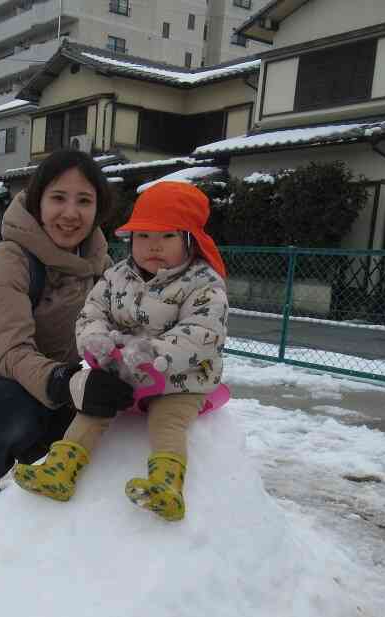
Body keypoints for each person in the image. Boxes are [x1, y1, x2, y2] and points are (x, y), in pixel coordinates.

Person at [12, 181, 229, 521]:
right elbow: (91, 314)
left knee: (167, 422)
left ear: (190, 238)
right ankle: (59, 470)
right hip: (124, 371)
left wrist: (151, 353)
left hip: (180, 379)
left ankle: (166, 485)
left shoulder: (203, 283)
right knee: (90, 410)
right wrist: (97, 341)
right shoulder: (117, 276)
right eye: (142, 236)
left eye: (167, 236)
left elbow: (202, 333)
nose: (152, 246)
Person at [0, 150, 136, 512]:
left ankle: (54, 504)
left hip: (55, 381)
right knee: (17, 408)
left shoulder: (100, 265)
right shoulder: (11, 258)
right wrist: (69, 382)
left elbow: (127, 326)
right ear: (38, 201)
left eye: (84, 200)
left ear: (98, 209)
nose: (70, 213)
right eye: (58, 198)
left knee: (107, 412)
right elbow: (11, 352)